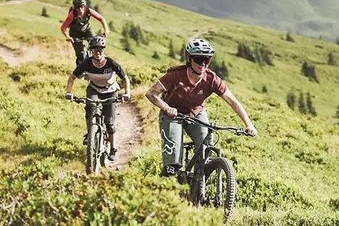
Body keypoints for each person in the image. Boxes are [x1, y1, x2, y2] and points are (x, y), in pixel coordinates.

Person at [145, 38, 257, 177]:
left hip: (196, 113)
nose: (203, 64)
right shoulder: (175, 75)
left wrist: (248, 124)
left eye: (207, 60)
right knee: (172, 162)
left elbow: (232, 101)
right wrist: (166, 107)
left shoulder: (211, 78)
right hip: (172, 115)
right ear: (189, 58)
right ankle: (167, 186)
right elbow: (151, 93)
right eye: (199, 59)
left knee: (206, 149)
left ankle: (198, 184)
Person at [65, 36, 131, 161]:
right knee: (90, 108)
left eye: (100, 49)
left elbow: (124, 78)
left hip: (110, 90)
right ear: (92, 51)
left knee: (110, 122)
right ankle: (90, 133)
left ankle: (113, 148)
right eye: (95, 49)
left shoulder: (111, 63)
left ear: (104, 49)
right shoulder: (87, 63)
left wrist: (127, 93)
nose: (98, 51)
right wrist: (69, 92)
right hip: (94, 89)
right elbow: (72, 77)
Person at [61, 0, 110, 66]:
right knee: (80, 54)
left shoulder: (88, 11)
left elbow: (101, 18)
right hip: (75, 33)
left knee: (96, 44)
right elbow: (63, 27)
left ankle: (97, 64)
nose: (80, 9)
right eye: (78, 7)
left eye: (82, 6)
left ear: (84, 5)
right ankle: (80, 71)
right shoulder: (72, 15)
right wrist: (67, 36)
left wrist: (106, 29)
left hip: (87, 30)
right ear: (75, 7)